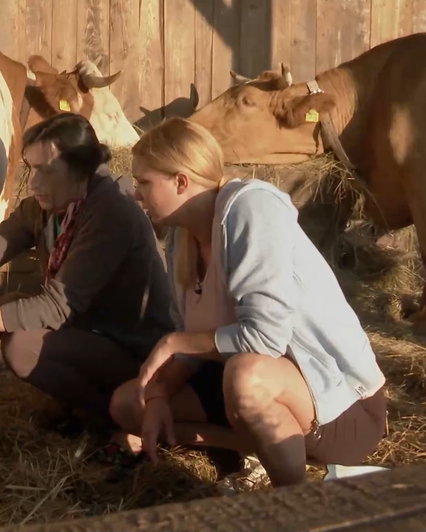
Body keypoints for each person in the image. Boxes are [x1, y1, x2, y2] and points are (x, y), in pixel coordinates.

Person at [109, 116, 388, 489]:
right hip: (252, 386)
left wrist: (174, 344)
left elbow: (265, 337)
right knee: (129, 403)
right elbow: (192, 337)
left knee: (246, 375)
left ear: (180, 180)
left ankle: (292, 504)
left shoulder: (249, 207)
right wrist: (159, 391)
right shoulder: (182, 239)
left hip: (340, 405)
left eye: (144, 182)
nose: (136, 194)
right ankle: (260, 447)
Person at [0, 112, 176, 457]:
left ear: (81, 168)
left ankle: (116, 420)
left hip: (143, 357)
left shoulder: (111, 212)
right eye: (31, 169)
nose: (32, 183)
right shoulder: (49, 209)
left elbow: (55, 306)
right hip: (96, 339)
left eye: (46, 171)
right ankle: (87, 409)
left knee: (21, 344)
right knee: (11, 302)